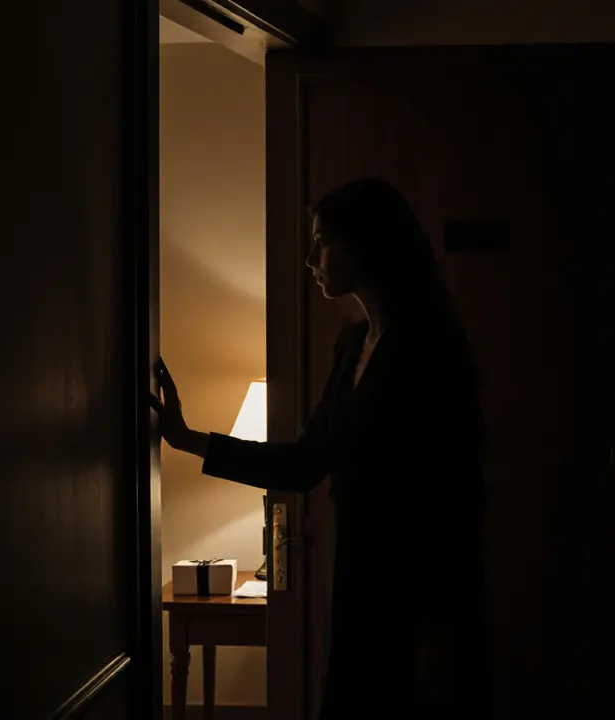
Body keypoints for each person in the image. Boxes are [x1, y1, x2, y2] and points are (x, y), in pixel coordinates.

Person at [151, 178, 492, 719]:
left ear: (369, 246)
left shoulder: (430, 353)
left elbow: (457, 503)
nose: (311, 257)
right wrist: (191, 440)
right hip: (356, 582)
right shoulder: (353, 345)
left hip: (418, 595)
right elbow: (305, 461)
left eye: (323, 241)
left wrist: (441, 633)